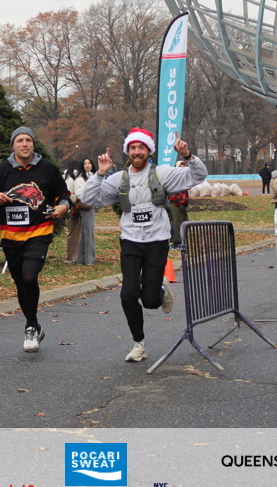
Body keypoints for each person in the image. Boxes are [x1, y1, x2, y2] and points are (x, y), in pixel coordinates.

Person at [80, 128, 207, 362]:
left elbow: (198, 176)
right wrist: (100, 173)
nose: (137, 151)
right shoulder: (119, 179)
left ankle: (160, 289)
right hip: (130, 242)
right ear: (127, 151)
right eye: (132, 147)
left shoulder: (163, 174)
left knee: (149, 301)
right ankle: (139, 343)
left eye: (141, 147)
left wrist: (187, 156)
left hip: (157, 241)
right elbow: (88, 199)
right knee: (128, 294)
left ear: (149, 150)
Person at [0, 127, 70, 353]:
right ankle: (34, 324)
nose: (24, 144)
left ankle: (30, 327)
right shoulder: (1, 170)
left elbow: (64, 194)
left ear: (33, 144)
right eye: (20, 140)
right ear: (13, 145)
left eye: (28, 140)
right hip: (11, 236)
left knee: (29, 275)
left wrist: (63, 206)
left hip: (39, 232)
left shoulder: (47, 168)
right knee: (21, 282)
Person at [75, 158, 98, 265]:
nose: (88, 165)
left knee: (86, 233)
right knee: (88, 233)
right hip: (86, 206)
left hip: (91, 205)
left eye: (89, 163)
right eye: (85, 164)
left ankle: (82, 259)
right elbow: (78, 193)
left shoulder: (93, 176)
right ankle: (89, 260)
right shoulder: (80, 179)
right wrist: (90, 197)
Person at [168, 160, 190, 247]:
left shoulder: (184, 178)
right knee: (176, 223)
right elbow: (172, 192)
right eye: (181, 167)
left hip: (182, 204)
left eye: (184, 167)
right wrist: (178, 203)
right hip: (176, 203)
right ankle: (175, 242)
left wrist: (184, 203)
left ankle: (182, 240)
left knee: (184, 222)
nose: (183, 169)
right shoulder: (174, 178)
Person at [64, 162, 83, 263]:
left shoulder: (68, 178)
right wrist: (76, 201)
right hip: (72, 209)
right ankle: (70, 256)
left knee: (74, 233)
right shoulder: (70, 180)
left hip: (70, 208)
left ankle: (73, 255)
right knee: (73, 233)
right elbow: (69, 194)